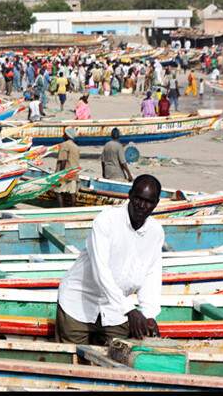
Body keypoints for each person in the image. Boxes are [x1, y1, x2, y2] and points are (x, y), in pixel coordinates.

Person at [55, 174, 163, 345]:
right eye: (138, 199)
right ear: (129, 195)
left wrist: (149, 314)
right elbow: (101, 271)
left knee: (114, 363)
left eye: (148, 201)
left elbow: (151, 274)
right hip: (78, 303)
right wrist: (130, 310)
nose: (142, 206)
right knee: (74, 365)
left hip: (116, 313)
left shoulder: (156, 232)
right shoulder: (106, 221)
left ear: (156, 203)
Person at [55, 127, 80, 208]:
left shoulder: (64, 144)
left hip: (66, 172)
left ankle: (61, 210)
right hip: (74, 173)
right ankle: (72, 210)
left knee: (57, 192)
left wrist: (60, 175)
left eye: (64, 134)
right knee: (72, 193)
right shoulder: (76, 146)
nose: (63, 135)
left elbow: (63, 160)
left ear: (67, 135)